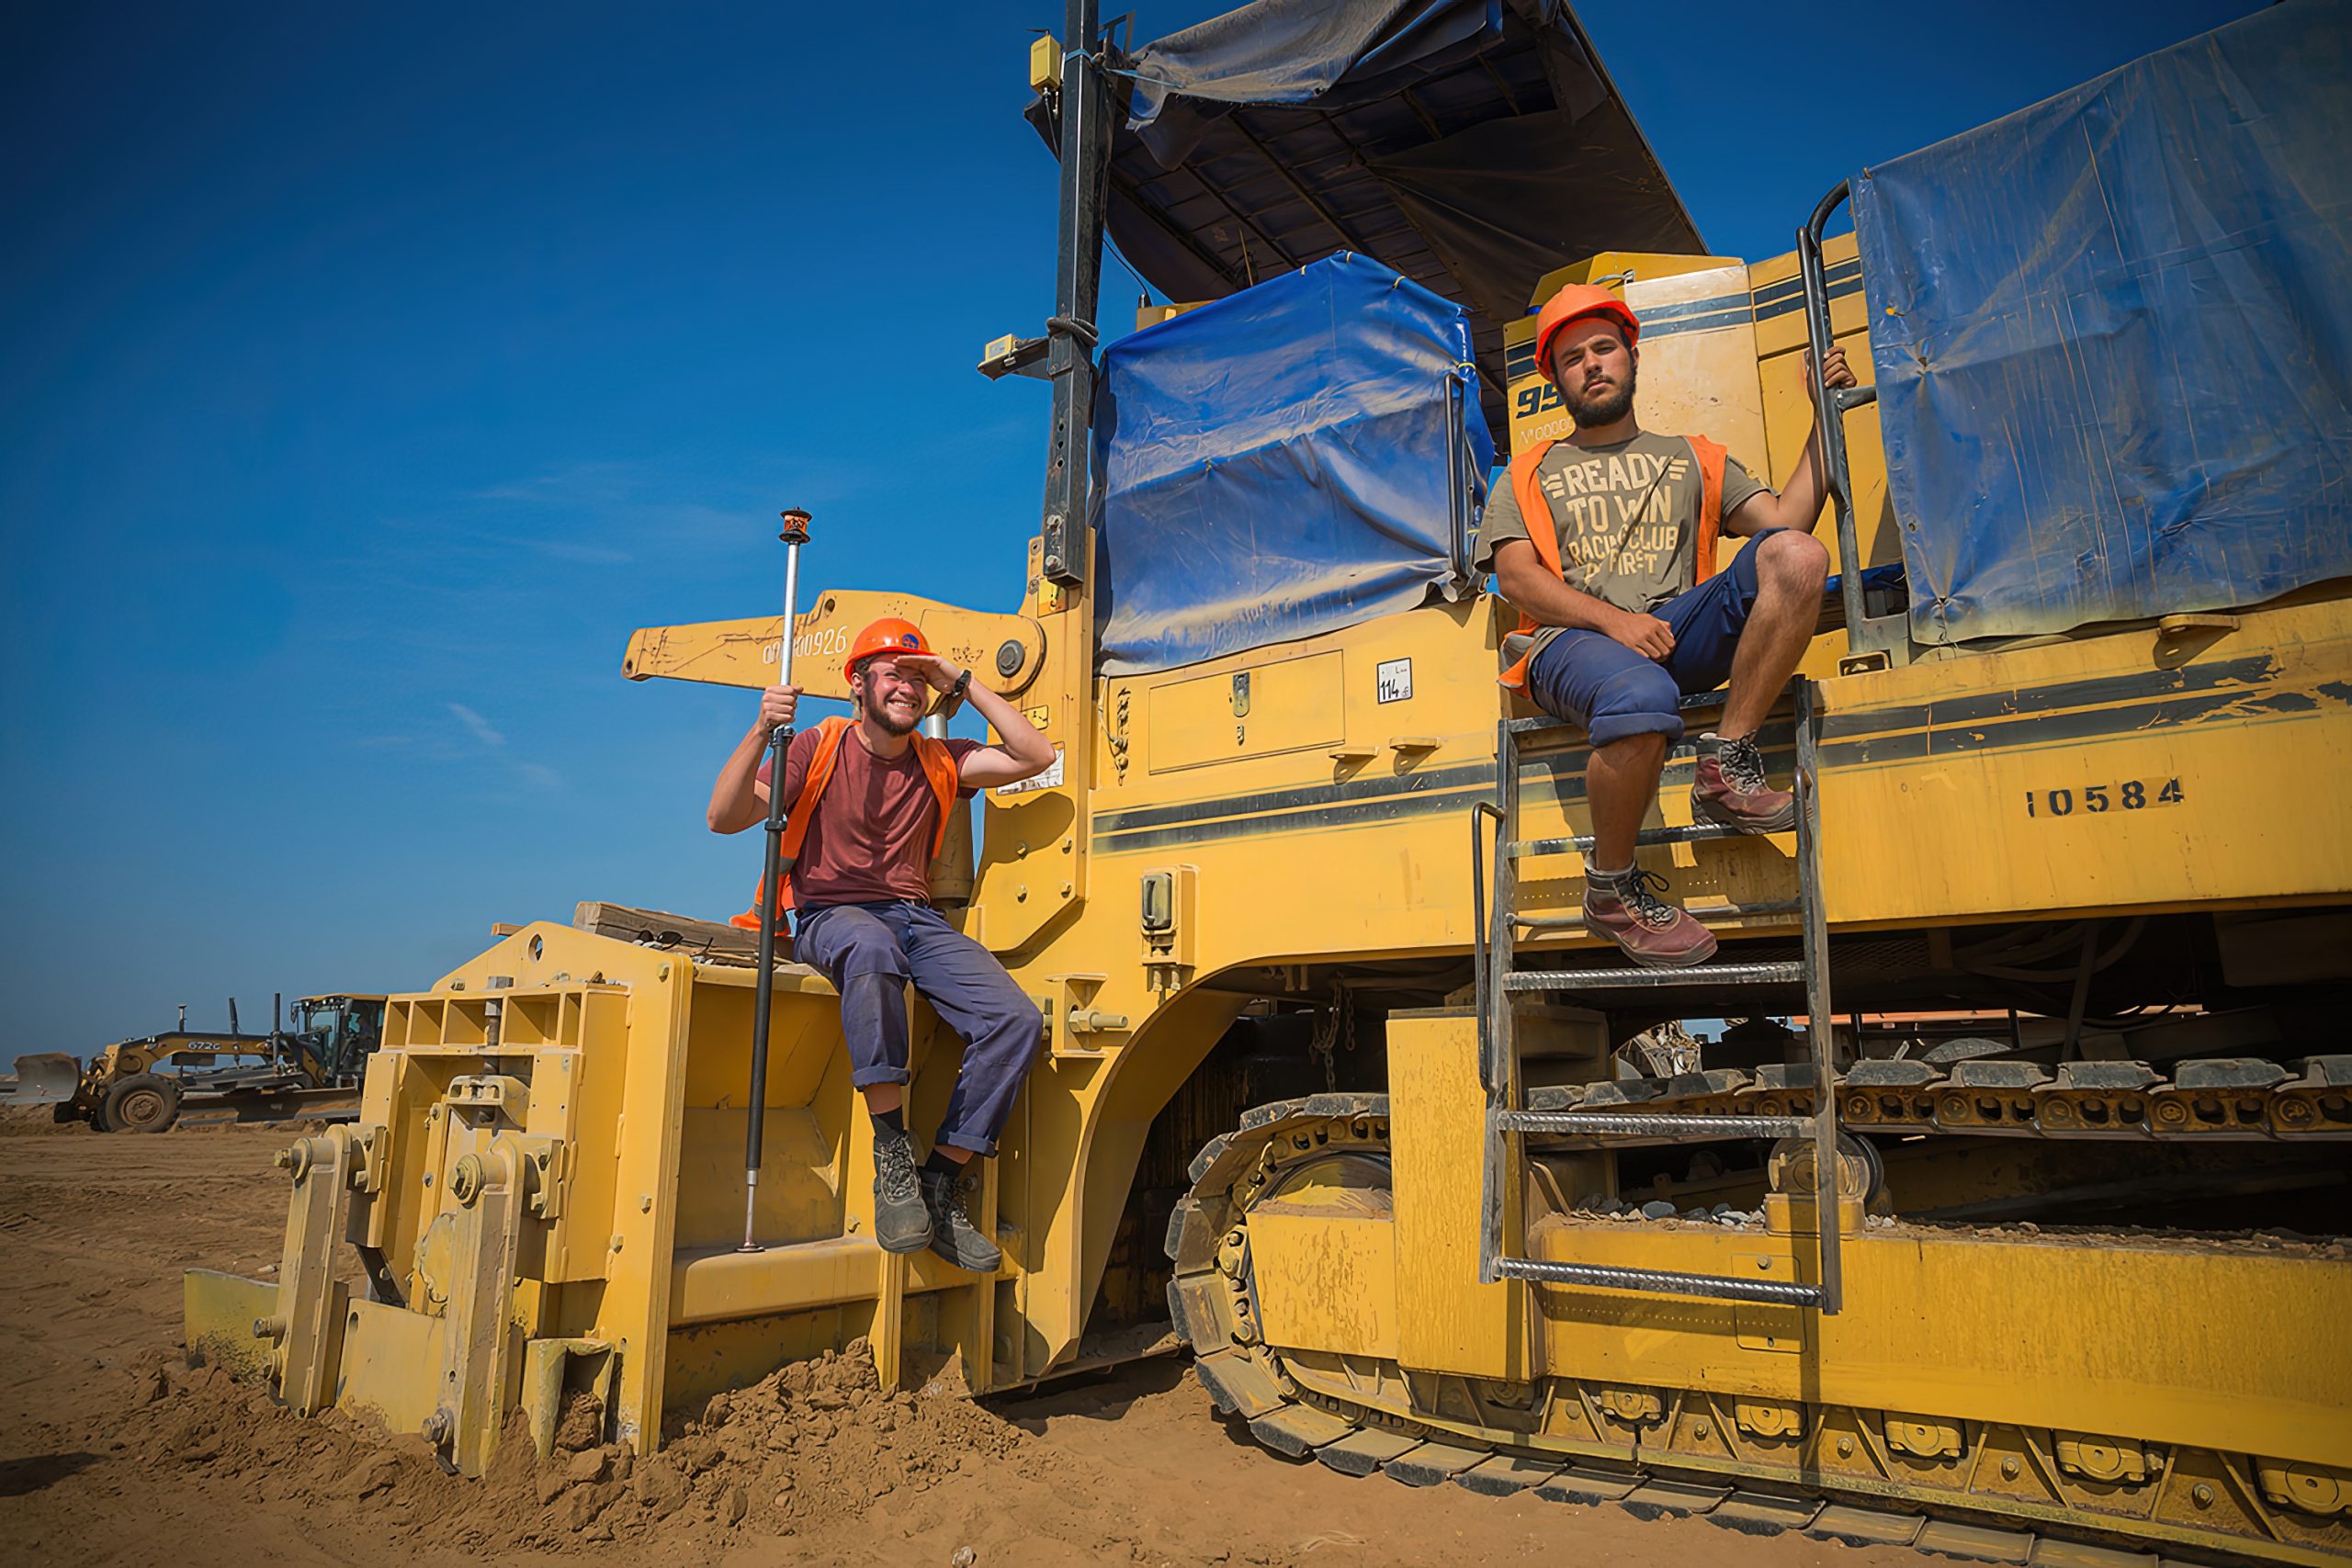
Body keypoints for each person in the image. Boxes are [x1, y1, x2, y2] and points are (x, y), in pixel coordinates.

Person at [1482, 283, 1860, 967]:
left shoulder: (1695, 456)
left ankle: (1727, 762)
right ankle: (1611, 890)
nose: (1591, 364)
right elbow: (1517, 577)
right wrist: (1615, 622)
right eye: (1572, 358)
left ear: (1632, 356)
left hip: (1672, 631)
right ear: (1556, 380)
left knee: (1799, 557)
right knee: (1640, 696)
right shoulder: (1527, 473)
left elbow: (1787, 521)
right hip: (1569, 643)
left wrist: (1822, 415)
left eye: (1603, 348)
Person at [707, 616, 1057, 1269]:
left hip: (914, 919)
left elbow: (1036, 755)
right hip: (831, 915)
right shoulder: (816, 746)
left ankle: (938, 1180)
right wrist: (760, 730)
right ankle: (892, 1151)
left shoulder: (941, 759)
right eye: (894, 674)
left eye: (918, 679)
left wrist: (960, 680)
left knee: (1016, 1021)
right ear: (858, 685)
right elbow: (723, 817)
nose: (908, 688)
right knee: (871, 948)